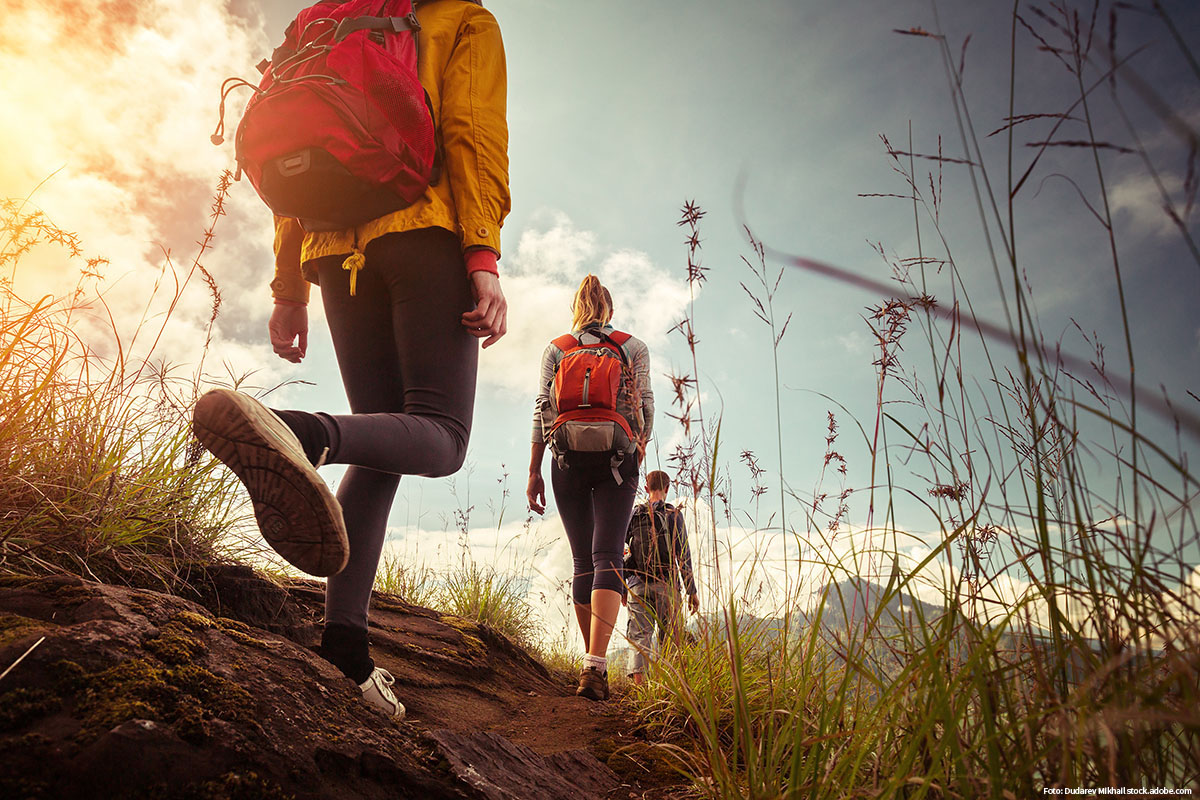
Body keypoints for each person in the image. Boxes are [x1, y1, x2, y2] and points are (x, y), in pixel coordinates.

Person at [192, 0, 509, 721]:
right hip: (423, 233)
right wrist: (482, 257)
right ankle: (300, 434)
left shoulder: (322, 22)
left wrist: (289, 286)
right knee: (442, 436)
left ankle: (344, 648)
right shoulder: (461, 18)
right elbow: (473, 136)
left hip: (331, 249)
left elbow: (289, 157)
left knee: (383, 444)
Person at [526, 275, 653, 701]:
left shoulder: (557, 348)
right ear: (610, 311)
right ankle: (596, 664)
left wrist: (534, 470)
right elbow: (646, 406)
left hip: (566, 460)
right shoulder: (632, 346)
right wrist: (637, 449)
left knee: (583, 560)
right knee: (608, 557)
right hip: (619, 459)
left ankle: (590, 662)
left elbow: (541, 409)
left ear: (575, 311)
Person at [623, 470, 698, 686]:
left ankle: (640, 690)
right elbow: (683, 554)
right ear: (667, 488)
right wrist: (691, 590)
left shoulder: (633, 514)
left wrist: (622, 587)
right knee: (671, 638)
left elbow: (623, 550)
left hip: (637, 585)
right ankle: (668, 689)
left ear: (646, 488)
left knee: (639, 637)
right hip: (668, 585)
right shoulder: (673, 514)